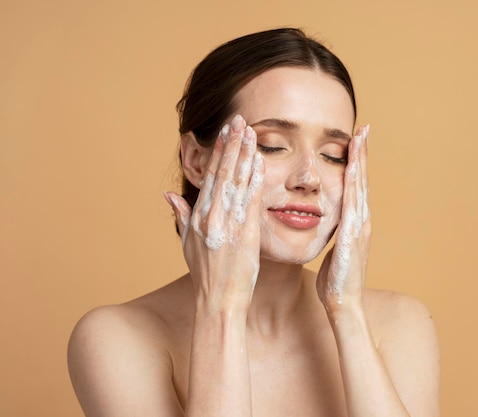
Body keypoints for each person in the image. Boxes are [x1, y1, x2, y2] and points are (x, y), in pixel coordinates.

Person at [67, 27, 440, 417]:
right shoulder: (118, 339)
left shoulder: (399, 325)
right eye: (271, 145)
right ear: (196, 160)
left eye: (334, 154)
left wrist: (347, 311)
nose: (309, 178)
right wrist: (221, 308)